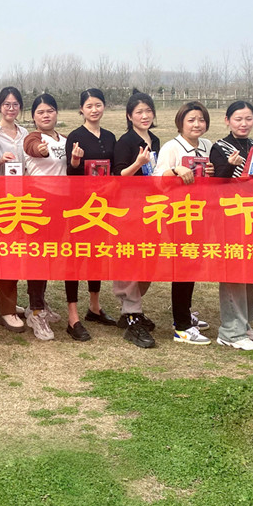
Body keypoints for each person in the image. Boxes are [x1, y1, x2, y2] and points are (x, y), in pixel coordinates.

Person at [210, 101, 253, 351]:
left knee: (251, 271)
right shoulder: (219, 147)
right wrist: (229, 166)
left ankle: (244, 323)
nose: (244, 124)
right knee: (234, 271)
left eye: (248, 119)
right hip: (229, 215)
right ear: (227, 120)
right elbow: (215, 183)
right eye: (238, 119)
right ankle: (230, 331)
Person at [154, 100, 217, 347]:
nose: (196, 124)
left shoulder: (207, 145)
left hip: (201, 211)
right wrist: (176, 170)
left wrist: (211, 171)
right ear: (180, 122)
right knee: (183, 266)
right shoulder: (172, 146)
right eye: (190, 119)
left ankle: (185, 311)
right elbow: (157, 179)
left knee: (193, 264)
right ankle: (181, 326)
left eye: (200, 119)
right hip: (179, 213)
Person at [63, 88, 118, 340]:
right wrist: (75, 162)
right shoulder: (75, 137)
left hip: (103, 206)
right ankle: (72, 315)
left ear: (103, 107)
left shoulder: (109, 137)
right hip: (80, 206)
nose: (94, 109)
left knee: (96, 254)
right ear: (81, 110)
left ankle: (94, 307)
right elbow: (70, 174)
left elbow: (115, 172)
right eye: (89, 106)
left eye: (98, 105)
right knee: (75, 257)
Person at [110, 89, 160, 349]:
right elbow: (118, 177)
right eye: (139, 112)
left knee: (148, 258)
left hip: (152, 207)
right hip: (128, 207)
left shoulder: (156, 139)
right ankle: (131, 312)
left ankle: (131, 309)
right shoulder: (126, 141)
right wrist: (138, 163)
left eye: (148, 111)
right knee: (130, 258)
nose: (144, 116)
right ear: (129, 116)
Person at [21, 93, 67, 341]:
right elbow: (33, 149)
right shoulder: (33, 138)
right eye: (40, 112)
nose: (46, 115)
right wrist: (39, 149)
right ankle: (36, 311)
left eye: (50, 110)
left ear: (56, 113)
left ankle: (38, 303)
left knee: (49, 254)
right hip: (39, 203)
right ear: (33, 117)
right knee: (38, 255)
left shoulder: (66, 139)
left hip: (60, 204)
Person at [0, 87, 29, 332]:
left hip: (24, 198)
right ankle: (6, 310)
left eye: (15, 104)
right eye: (6, 104)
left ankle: (7, 301)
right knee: (7, 252)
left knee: (19, 252)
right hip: (0, 199)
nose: (11, 108)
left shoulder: (26, 133)